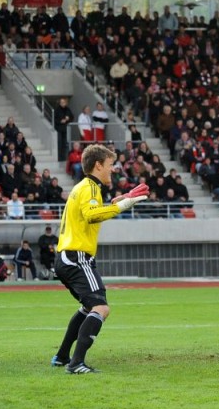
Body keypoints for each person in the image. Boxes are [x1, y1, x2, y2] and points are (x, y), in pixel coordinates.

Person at [51, 144, 149, 374]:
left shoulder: (83, 187)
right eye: (109, 165)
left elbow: (89, 213)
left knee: (89, 307)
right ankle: (76, 364)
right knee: (101, 308)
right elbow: (92, 215)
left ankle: (63, 357)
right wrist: (122, 206)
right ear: (98, 165)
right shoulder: (91, 187)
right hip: (77, 257)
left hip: (66, 256)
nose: (112, 170)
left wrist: (116, 202)